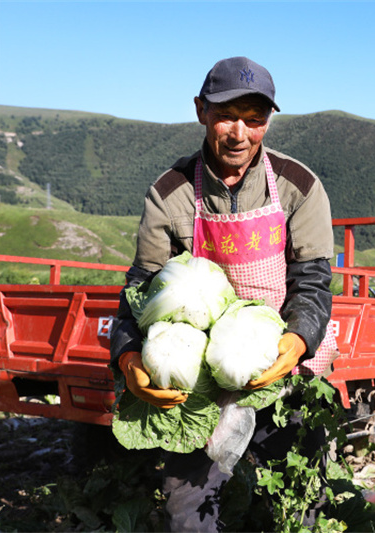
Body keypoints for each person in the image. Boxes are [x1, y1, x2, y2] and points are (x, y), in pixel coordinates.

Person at [109, 56, 337, 531]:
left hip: (276, 364)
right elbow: (140, 287)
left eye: (254, 120)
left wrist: (296, 342)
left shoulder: (299, 185)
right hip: (197, 384)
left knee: (299, 497)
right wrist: (128, 356)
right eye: (226, 116)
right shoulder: (169, 193)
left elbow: (313, 280)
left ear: (267, 122)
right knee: (187, 507)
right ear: (201, 112)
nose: (239, 133)